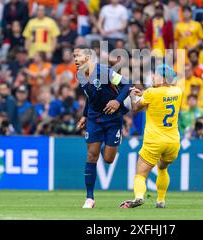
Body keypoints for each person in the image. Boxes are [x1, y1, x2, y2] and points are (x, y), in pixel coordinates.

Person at [73, 45, 131, 209]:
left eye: (78, 56)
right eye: (74, 56)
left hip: (113, 119)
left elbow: (127, 84)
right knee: (92, 155)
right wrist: (84, 115)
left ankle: (111, 140)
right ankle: (89, 198)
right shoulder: (80, 75)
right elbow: (89, 97)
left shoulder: (104, 72)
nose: (75, 59)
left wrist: (117, 101)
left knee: (108, 159)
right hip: (94, 119)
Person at [120, 64, 182, 209]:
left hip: (154, 140)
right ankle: (160, 200)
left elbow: (135, 108)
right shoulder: (178, 91)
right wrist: (144, 95)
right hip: (173, 141)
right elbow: (159, 99)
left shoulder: (151, 93)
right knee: (162, 169)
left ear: (164, 78)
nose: (153, 77)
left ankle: (139, 197)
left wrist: (133, 96)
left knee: (141, 173)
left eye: (156, 75)